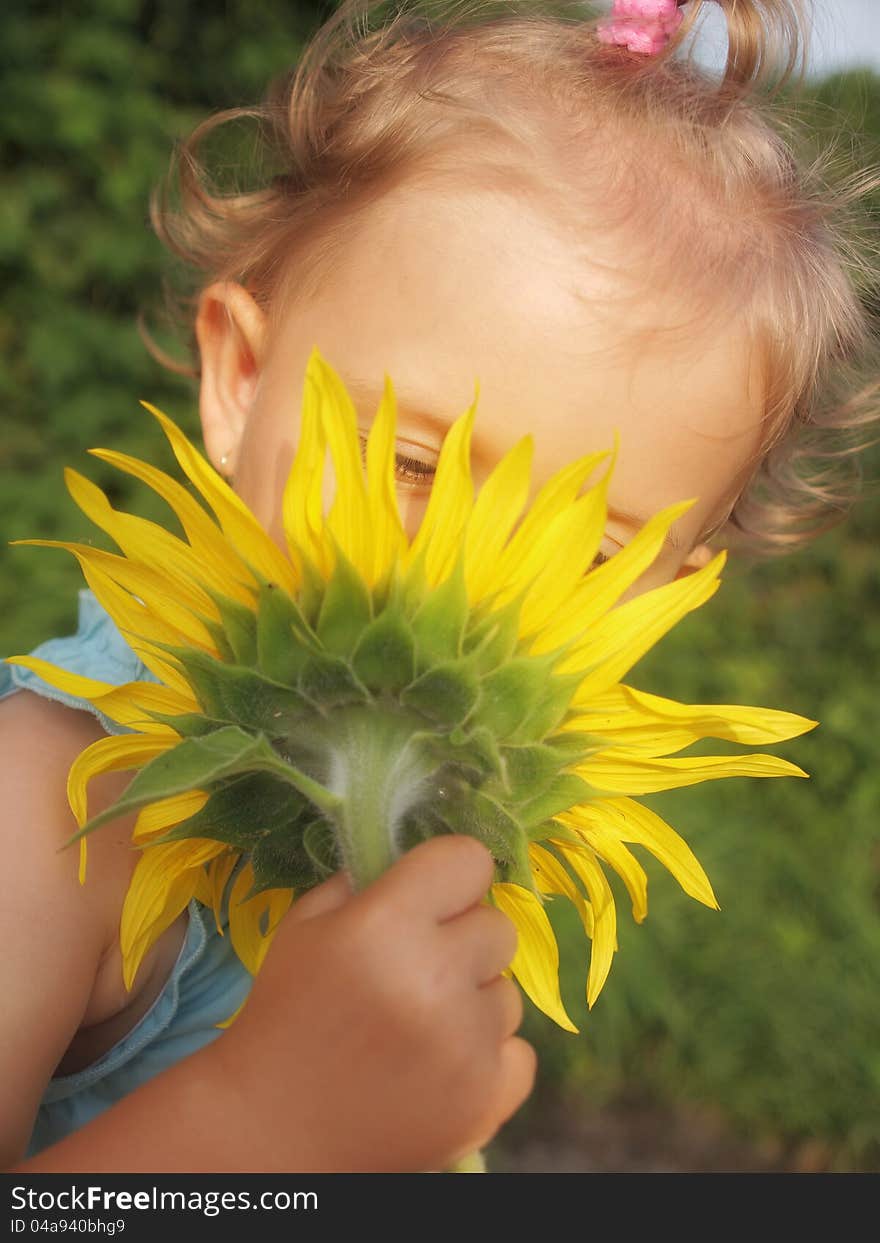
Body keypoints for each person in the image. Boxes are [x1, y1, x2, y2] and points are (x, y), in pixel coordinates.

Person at [2, 0, 878, 1173]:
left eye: (586, 551)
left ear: (675, 586)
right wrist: (265, 1120)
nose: (459, 584)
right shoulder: (55, 804)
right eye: (408, 466)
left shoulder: (472, 812)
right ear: (243, 380)